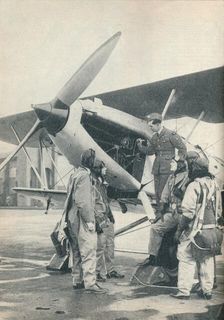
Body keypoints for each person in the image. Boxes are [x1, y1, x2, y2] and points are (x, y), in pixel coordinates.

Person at [171, 157, 223, 300]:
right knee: (206, 259)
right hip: (212, 231)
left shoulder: (194, 185)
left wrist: (178, 231)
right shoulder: (215, 184)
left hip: (195, 231)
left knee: (186, 258)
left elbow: (188, 212)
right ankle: (207, 291)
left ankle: (184, 291)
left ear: (195, 169)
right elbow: (218, 211)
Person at [65, 148, 106, 293]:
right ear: (89, 161)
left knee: (76, 251)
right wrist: (89, 220)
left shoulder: (75, 174)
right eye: (93, 159)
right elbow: (83, 201)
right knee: (89, 249)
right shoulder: (84, 176)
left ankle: (77, 280)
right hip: (81, 217)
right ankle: (90, 283)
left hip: (72, 218)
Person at [140, 158, 189, 266]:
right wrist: (160, 212)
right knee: (155, 228)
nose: (170, 164)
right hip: (172, 212)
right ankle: (152, 257)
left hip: (184, 213)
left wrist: (181, 195)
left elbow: (191, 198)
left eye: (173, 162)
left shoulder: (188, 177)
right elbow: (164, 196)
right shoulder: (171, 177)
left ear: (180, 164)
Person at [137, 113, 187, 209]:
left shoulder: (171, 134)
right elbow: (150, 151)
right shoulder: (154, 137)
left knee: (165, 193)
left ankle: (166, 213)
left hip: (167, 169)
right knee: (158, 193)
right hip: (157, 168)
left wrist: (176, 160)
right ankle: (160, 214)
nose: (150, 128)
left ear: (158, 124)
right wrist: (140, 146)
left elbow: (183, 149)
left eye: (151, 126)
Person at [93, 159, 124, 282]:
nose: (105, 170)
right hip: (100, 218)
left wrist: (110, 215)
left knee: (110, 243)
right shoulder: (93, 184)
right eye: (102, 167)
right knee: (100, 246)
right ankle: (97, 272)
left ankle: (110, 270)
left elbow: (105, 201)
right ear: (97, 169)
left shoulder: (102, 183)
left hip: (107, 216)